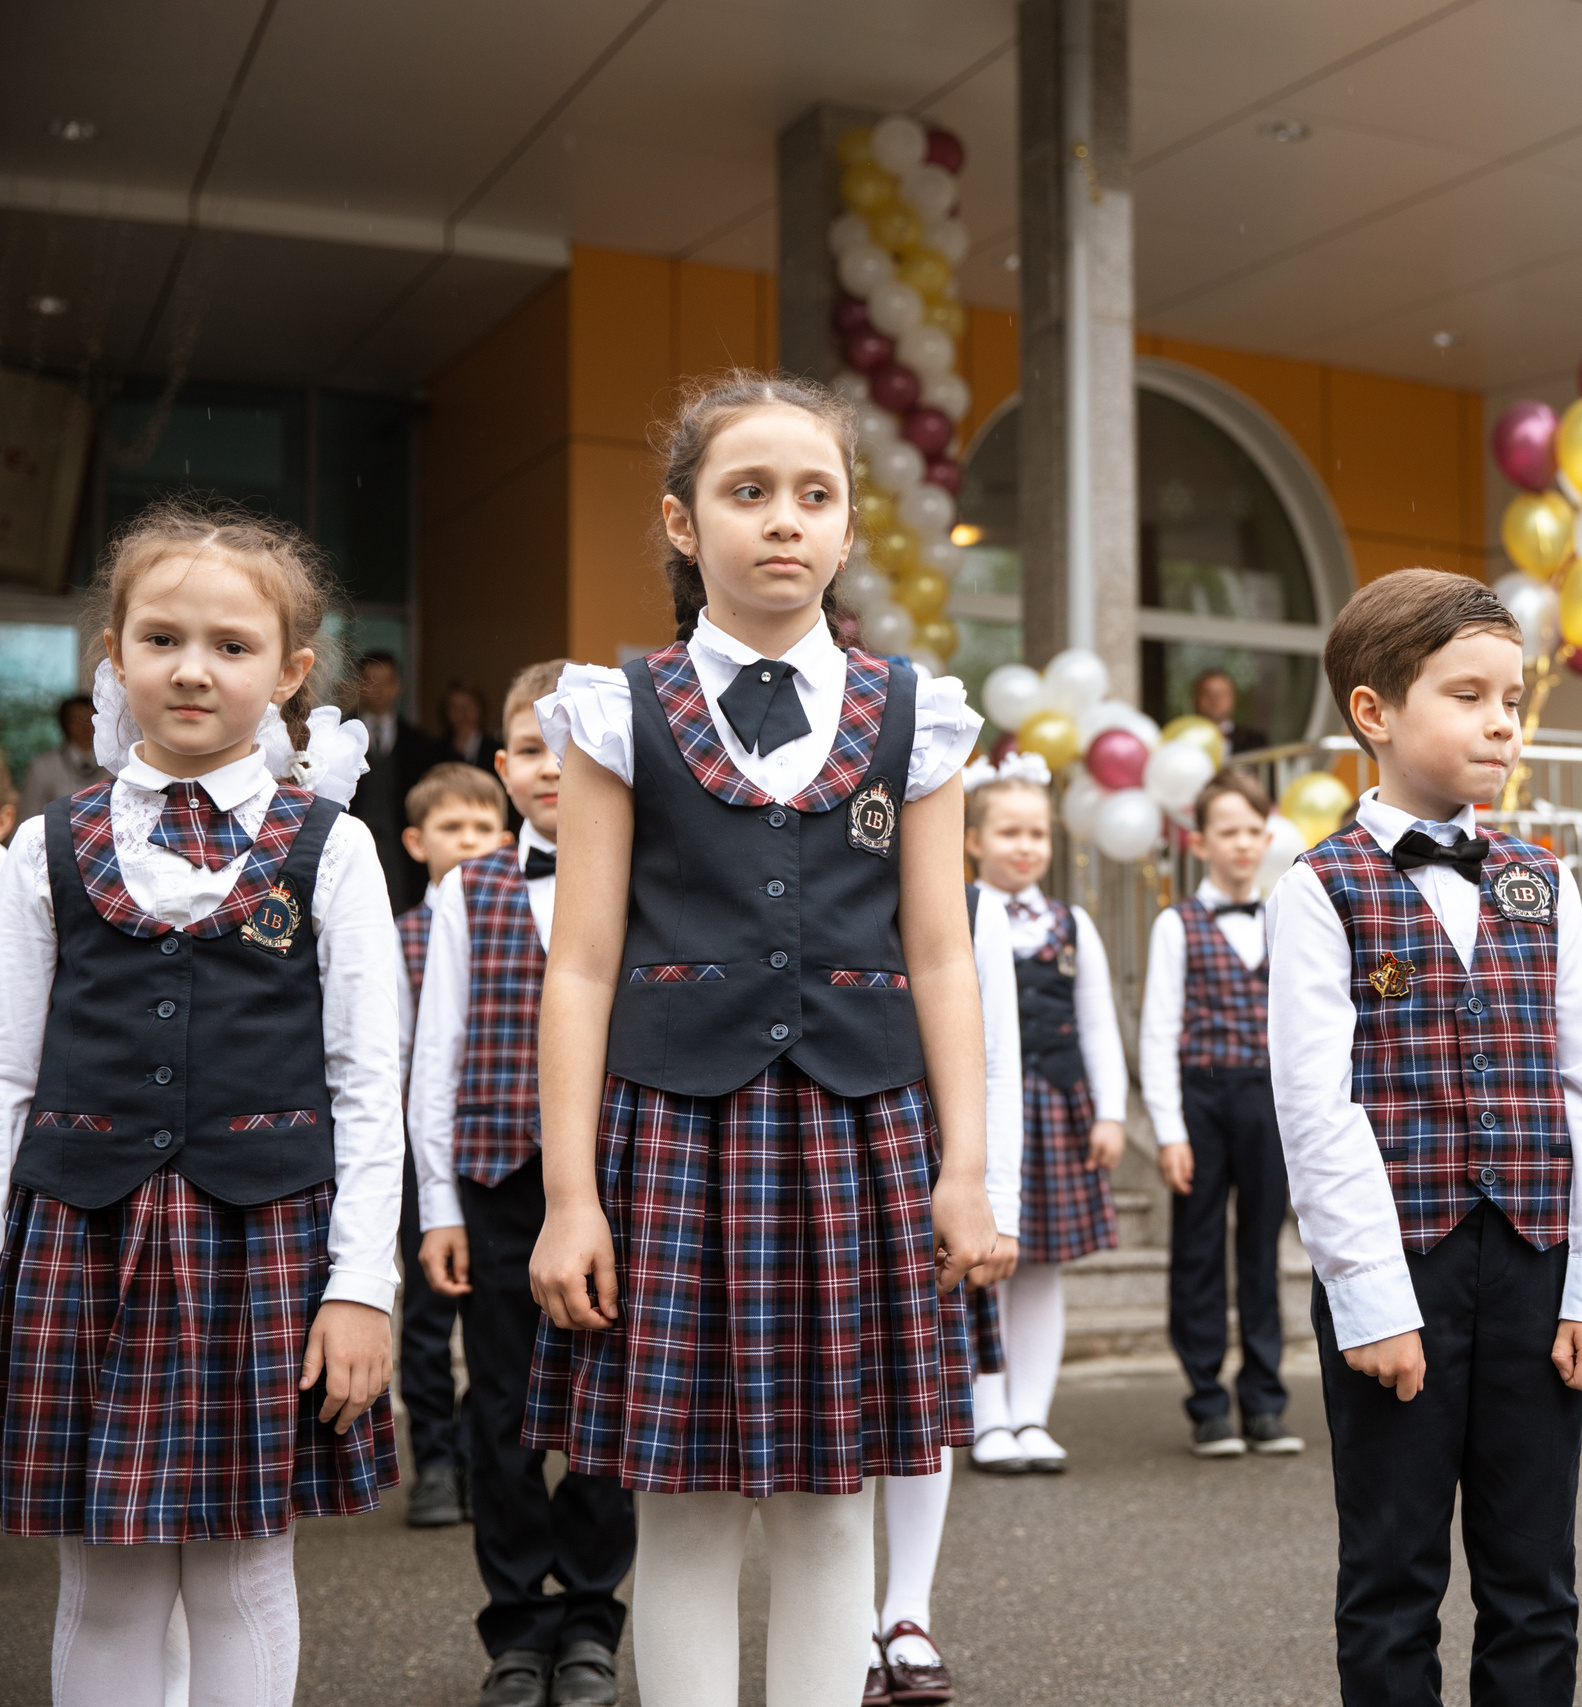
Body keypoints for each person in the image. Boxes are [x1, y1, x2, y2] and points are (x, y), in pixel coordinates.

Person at [521, 371, 995, 1707]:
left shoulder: (919, 713)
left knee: (833, 1503)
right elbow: (584, 961)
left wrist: (966, 1166)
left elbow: (944, 952)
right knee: (680, 1507)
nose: (783, 519)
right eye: (748, 491)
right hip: (674, 1136)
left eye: (815, 494)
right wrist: (570, 1195)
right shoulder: (618, 707)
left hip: (864, 1132)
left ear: (848, 530)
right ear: (684, 523)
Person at [0, 499, 400, 1707]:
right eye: (161, 638)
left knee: (236, 1574)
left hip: (260, 1239)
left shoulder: (332, 847)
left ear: (289, 671)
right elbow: (6, 1075)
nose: (193, 668)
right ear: (110, 656)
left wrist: (360, 1285)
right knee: (105, 1581)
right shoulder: (43, 850)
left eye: (231, 645)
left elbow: (366, 1083)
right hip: (82, 1236)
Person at [1265, 567, 1582, 1706]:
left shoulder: (1541, 882)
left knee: (1536, 1578)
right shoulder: (1317, 887)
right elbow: (1316, 1111)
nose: (1499, 722)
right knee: (1392, 1572)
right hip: (1402, 1263)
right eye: (1467, 695)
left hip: (1535, 1260)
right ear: (1374, 712)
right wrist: (1370, 1297)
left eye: (1512, 699)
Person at [413, 664, 638, 1707]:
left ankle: (592, 1618)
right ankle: (516, 1625)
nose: (554, 767)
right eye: (534, 750)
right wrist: (440, 1204)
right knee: (500, 1409)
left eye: (572, 746)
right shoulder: (469, 890)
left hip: (619, 1184)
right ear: (503, 769)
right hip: (499, 1178)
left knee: (606, 1410)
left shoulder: (645, 877)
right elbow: (441, 1049)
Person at [865, 757, 1030, 1707]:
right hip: (839, 1169)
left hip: (940, 1173)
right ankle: (840, 1614)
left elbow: (997, 1063)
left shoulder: (975, 909)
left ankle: (908, 1609)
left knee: (923, 1400)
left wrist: (991, 1195)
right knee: (834, 1396)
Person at [962, 761, 1127, 1474]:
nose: (1025, 846)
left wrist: (1111, 1111)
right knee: (982, 1266)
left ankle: (1031, 1413)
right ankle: (984, 1413)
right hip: (982, 1111)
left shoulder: (1071, 924)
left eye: (1037, 833)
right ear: (972, 840)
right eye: (1008, 832)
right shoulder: (957, 915)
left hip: (1056, 1109)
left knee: (1041, 1269)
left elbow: (1098, 1025)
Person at [1141, 768, 1300, 1457]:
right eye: (1227, 832)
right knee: (1199, 1248)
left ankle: (1264, 1397)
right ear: (1201, 841)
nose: (1241, 844)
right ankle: (1207, 1399)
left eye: (1252, 832)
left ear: (1267, 838)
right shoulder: (1177, 924)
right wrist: (1169, 1130)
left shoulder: (1286, 918)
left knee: (1262, 1248)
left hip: (1267, 1098)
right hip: (1202, 1096)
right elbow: (1157, 1030)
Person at [394, 760, 511, 1533]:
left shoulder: (517, 916)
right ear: (415, 841)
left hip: (497, 1141)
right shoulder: (400, 935)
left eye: (480, 828)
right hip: (421, 1147)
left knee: (496, 1313)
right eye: (450, 829)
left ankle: (479, 1449)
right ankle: (432, 1458)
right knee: (431, 1313)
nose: (467, 842)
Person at [348, 651, 452, 913]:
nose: (379, 690)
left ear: (398, 686)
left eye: (386, 682)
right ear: (358, 685)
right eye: (370, 682)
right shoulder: (338, 735)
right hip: (350, 851)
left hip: (404, 860)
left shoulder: (419, 743)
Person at [23, 693, 105, 811]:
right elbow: (30, 812)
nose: (84, 726)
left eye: (89, 719)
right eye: (77, 720)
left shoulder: (116, 765)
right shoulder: (43, 767)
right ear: (64, 724)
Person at [1191, 667, 1269, 756]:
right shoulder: (1183, 741)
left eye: (1222, 693)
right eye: (1207, 693)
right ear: (1195, 699)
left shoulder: (1256, 742)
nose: (1215, 699)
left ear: (1233, 699)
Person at [443, 683, 502, 772]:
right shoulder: (436, 751)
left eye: (467, 707)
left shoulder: (496, 749)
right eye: (455, 708)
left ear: (480, 709)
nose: (462, 714)